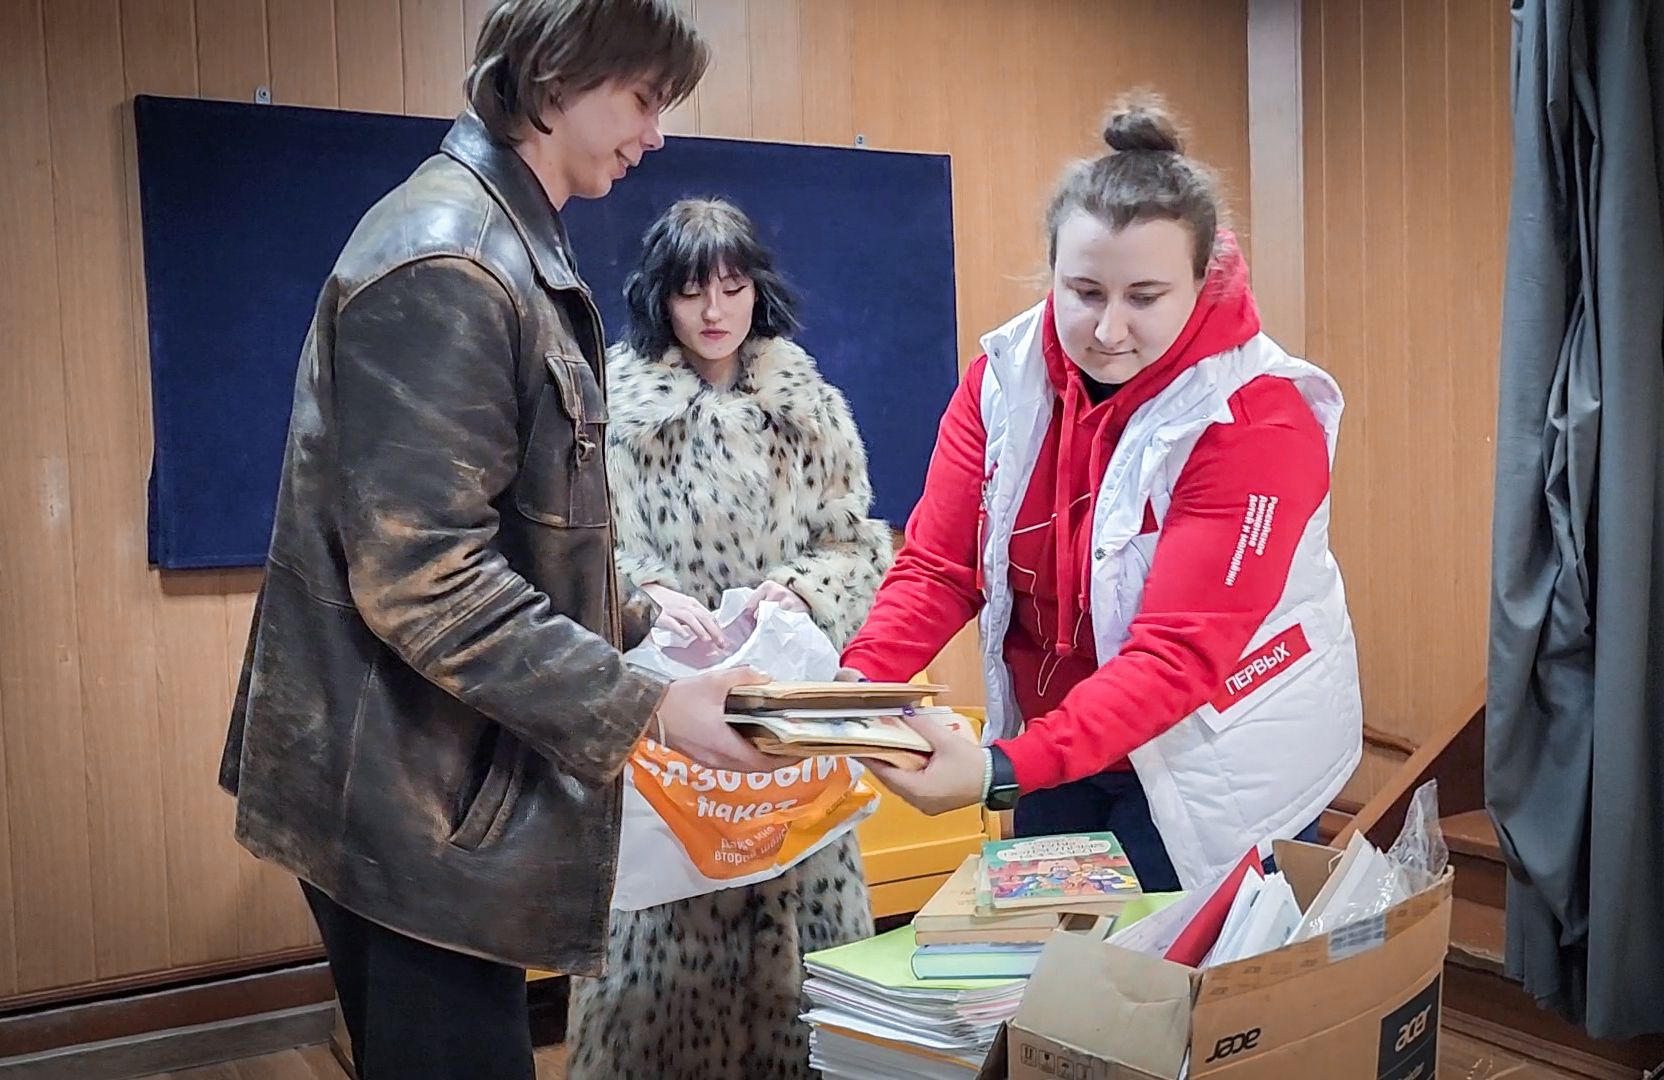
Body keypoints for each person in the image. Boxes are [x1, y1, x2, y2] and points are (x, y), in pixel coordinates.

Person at [217, 5, 782, 1078]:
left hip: (431, 787)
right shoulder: (455, 261)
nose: (655, 134)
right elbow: (424, 579)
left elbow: (513, 522)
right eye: (643, 99)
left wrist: (633, 609)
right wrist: (651, 705)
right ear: (558, 74)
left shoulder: (506, 235)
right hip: (402, 802)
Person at [841, 94, 1362, 893]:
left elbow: (1175, 656)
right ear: (1050, 270)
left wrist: (996, 772)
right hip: (1060, 741)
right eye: (1083, 291)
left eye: (1144, 298)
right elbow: (943, 566)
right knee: (1054, 988)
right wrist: (849, 695)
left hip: (1218, 755)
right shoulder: (1003, 382)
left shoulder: (1259, 418)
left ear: (1203, 280)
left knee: (1175, 1000)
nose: (1108, 330)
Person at [567, 197, 893, 1080]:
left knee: (810, 992)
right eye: (690, 290)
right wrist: (646, 598)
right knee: (661, 962)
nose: (714, 311)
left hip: (788, 719)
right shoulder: (613, 412)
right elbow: (582, 552)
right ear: (659, 298)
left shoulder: (812, 407)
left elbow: (857, 546)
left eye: (732, 286)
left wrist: (799, 595)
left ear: (757, 291)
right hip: (670, 722)